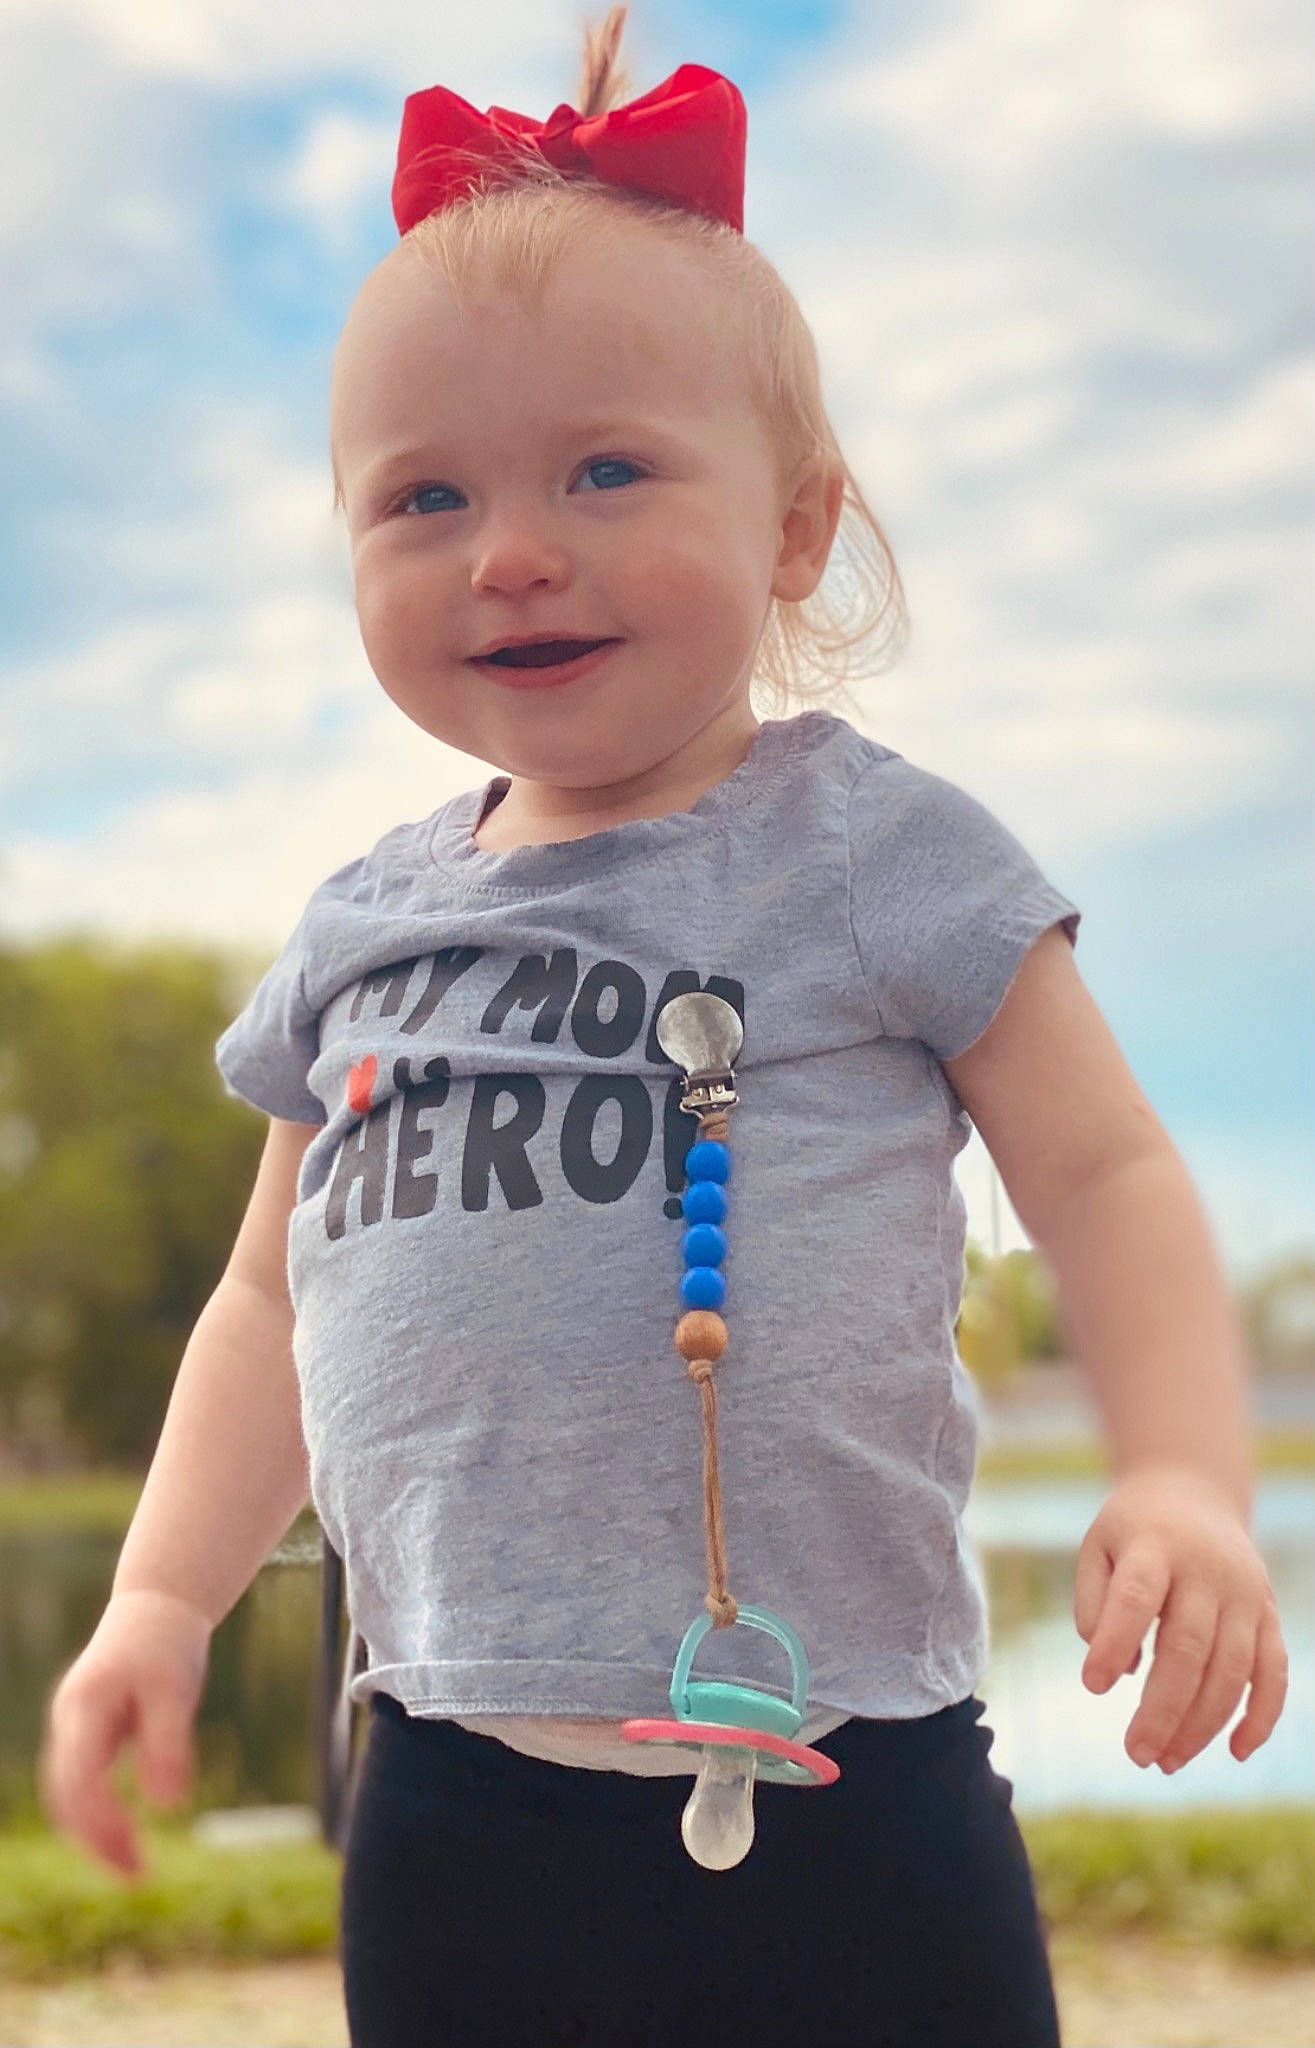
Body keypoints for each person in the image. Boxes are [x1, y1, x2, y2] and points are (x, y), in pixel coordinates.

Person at [39, 9, 1288, 2046]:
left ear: (797, 527)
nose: (511, 549)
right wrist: (161, 1598)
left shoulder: (871, 850)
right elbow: (268, 1303)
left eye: (605, 469)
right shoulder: (367, 922)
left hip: (842, 1772)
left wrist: (1180, 1472)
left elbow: (1107, 1167)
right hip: (445, 1780)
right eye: (422, 497)